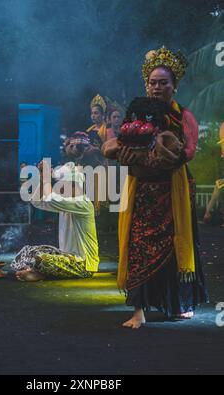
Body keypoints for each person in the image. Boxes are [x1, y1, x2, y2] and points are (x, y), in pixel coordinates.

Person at [103, 47, 208, 329]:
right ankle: (139, 310)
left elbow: (184, 152)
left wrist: (154, 154)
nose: (157, 87)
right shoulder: (135, 114)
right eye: (153, 82)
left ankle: (178, 304)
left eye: (163, 82)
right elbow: (115, 146)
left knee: (176, 247)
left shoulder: (183, 117)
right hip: (142, 193)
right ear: (146, 84)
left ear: (174, 86)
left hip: (172, 193)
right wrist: (131, 155)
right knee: (137, 246)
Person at [11, 161, 100, 281]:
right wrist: (43, 180)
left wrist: (46, 178)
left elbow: (49, 199)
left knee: (40, 259)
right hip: (65, 257)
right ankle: (36, 271)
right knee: (27, 251)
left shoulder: (82, 203)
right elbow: (38, 202)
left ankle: (37, 272)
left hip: (83, 265)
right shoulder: (65, 202)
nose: (59, 188)